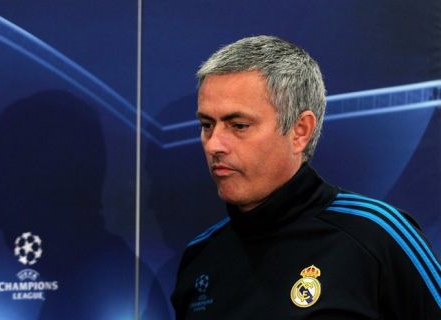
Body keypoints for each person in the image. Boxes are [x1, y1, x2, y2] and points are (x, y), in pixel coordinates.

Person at [171, 35, 440, 319]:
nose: (214, 144)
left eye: (238, 125)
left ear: (300, 131)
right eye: (206, 124)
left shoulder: (377, 234)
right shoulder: (201, 257)